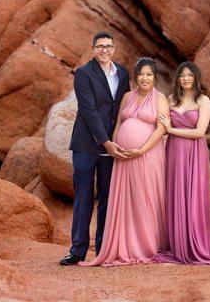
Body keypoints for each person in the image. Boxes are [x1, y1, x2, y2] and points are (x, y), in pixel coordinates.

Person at [80, 57, 169, 267]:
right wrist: (114, 146)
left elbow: (162, 128)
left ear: (154, 77)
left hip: (148, 155)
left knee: (144, 197)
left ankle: (147, 246)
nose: (145, 78)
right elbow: (119, 122)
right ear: (135, 77)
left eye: (149, 74)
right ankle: (126, 245)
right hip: (123, 158)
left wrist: (141, 150)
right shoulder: (128, 96)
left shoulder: (160, 99)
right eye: (141, 74)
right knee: (125, 200)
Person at [59, 32, 130, 265]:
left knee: (108, 199)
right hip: (86, 146)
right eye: (100, 47)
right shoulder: (83, 73)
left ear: (114, 48)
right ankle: (77, 250)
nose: (104, 50)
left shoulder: (122, 73)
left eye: (108, 46)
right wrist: (105, 142)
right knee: (83, 198)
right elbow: (88, 110)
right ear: (93, 49)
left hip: (113, 147)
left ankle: (103, 250)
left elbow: (123, 106)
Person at [156, 61, 210, 265]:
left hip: (194, 152)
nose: (186, 78)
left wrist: (171, 130)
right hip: (173, 151)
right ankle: (178, 245)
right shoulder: (170, 99)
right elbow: (159, 122)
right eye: (182, 75)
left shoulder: (203, 100)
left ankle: (194, 245)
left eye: (190, 75)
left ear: (196, 77)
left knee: (193, 194)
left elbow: (199, 132)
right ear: (178, 78)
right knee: (174, 194)